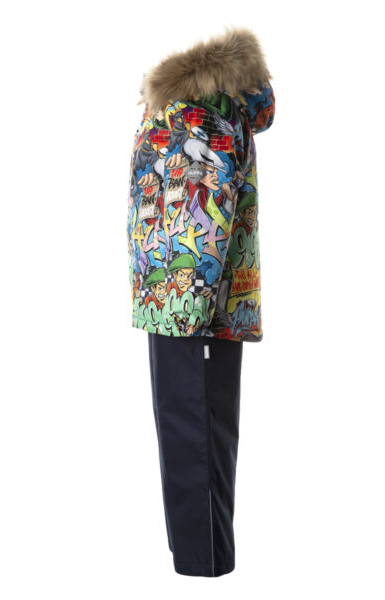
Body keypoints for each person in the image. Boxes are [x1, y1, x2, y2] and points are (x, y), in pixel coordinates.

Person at [126, 26, 275, 577]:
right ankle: (202, 562)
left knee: (192, 432)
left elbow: (205, 206)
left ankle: (201, 568)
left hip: (189, 304)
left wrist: (190, 304)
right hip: (180, 299)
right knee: (194, 431)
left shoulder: (198, 112)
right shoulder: (191, 110)